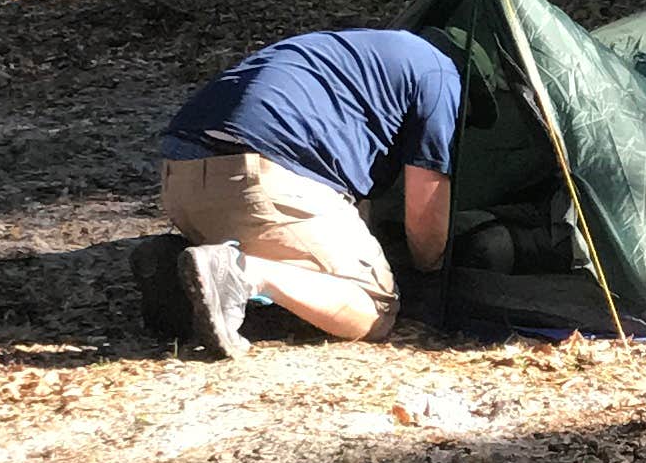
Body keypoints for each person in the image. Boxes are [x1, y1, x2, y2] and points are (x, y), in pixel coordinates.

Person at [149, 23, 464, 356]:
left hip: (178, 177)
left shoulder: (356, 53)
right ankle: (241, 272)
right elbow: (425, 210)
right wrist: (429, 272)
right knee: (374, 307)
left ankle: (176, 270)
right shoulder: (441, 74)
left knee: (300, 250)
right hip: (257, 180)